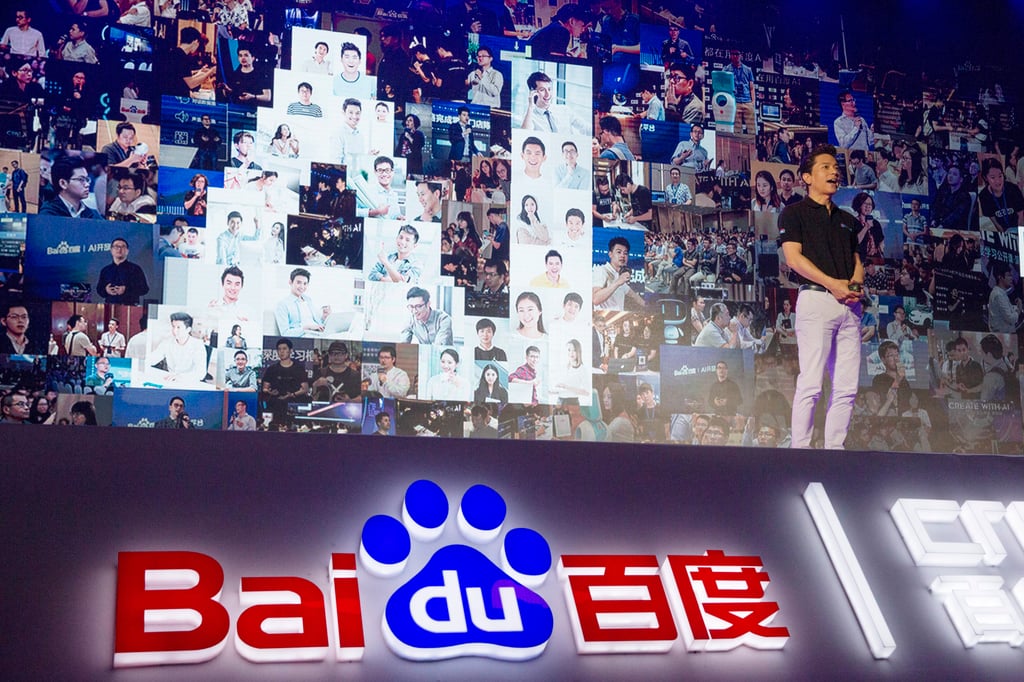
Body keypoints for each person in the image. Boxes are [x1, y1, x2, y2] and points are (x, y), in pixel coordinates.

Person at [780, 144, 864, 449]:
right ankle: (799, 450)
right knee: (812, 382)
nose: (834, 172)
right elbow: (793, 259)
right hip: (816, 300)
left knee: (846, 387)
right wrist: (833, 284)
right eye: (825, 167)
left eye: (835, 167)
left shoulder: (848, 219)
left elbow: (857, 262)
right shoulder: (794, 213)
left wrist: (853, 288)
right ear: (807, 177)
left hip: (849, 307)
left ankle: (835, 451)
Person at [520, 70, 589, 134]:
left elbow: (585, 127)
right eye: (542, 90)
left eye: (549, 89)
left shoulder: (565, 110)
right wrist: (530, 106)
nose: (548, 94)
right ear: (533, 92)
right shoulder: (530, 116)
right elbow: (524, 135)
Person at [148, 312, 208, 383]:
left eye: (178, 327)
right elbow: (152, 359)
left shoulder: (198, 345)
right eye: (173, 326)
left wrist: (181, 377)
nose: (174, 331)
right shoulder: (167, 342)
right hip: (171, 381)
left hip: (189, 382)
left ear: (188, 329)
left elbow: (201, 373)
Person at [261, 338, 309, 426]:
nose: (281, 352)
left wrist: (292, 395)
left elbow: (305, 388)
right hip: (276, 405)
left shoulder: (298, 369)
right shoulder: (272, 369)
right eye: (279, 349)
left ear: (290, 351)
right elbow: (265, 388)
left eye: (284, 349)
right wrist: (270, 392)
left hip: (293, 405)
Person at [275, 268, 330, 337]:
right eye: (298, 282)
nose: (302, 287)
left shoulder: (308, 300)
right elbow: (285, 333)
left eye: (305, 283)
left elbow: (317, 324)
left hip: (318, 333)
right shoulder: (283, 304)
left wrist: (324, 317)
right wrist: (307, 328)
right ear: (290, 282)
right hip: (304, 335)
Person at [94, 237, 149, 305]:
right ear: (111, 250)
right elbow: (99, 290)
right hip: (110, 307)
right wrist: (106, 290)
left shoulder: (135, 269)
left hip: (130, 307)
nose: (119, 249)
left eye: (123, 247)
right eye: (116, 246)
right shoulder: (105, 270)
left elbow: (144, 289)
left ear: (127, 251)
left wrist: (126, 289)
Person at [593, 236, 644, 310]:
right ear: (610, 254)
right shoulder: (601, 271)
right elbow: (595, 299)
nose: (622, 256)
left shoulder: (619, 275)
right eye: (619, 252)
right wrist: (618, 282)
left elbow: (634, 296)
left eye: (625, 253)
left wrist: (648, 305)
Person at [978, 157, 1024, 231]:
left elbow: (1021, 216)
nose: (998, 181)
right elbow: (994, 221)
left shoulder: (1013, 189)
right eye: (993, 177)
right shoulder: (984, 196)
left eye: (1000, 176)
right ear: (985, 178)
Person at [988, 261, 1020, 333]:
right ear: (1000, 277)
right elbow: (1010, 318)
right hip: (1002, 336)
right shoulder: (998, 294)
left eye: (1011, 275)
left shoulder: (1001, 293)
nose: (1011, 278)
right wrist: (1019, 309)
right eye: (1009, 275)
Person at [851, 192, 884, 262]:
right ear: (859, 205)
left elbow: (881, 240)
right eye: (865, 203)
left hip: (874, 259)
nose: (868, 206)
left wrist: (880, 249)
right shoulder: (853, 222)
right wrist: (866, 227)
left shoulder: (876, 223)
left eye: (870, 204)